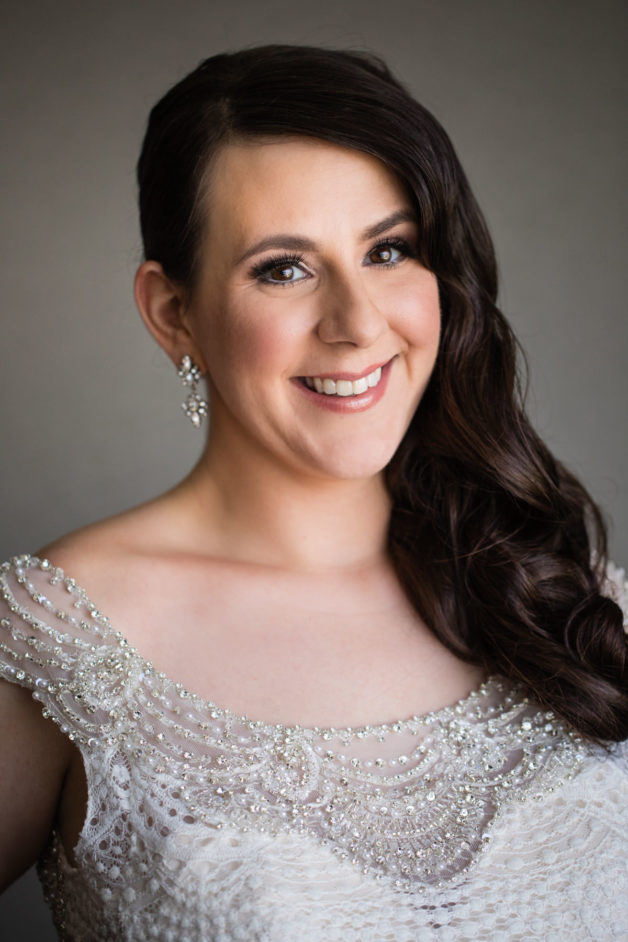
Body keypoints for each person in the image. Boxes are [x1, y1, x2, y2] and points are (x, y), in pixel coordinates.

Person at [0, 43, 626, 941]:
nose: (359, 324)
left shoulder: (568, 596)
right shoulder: (65, 640)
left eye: (389, 250)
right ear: (172, 312)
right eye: (283, 268)